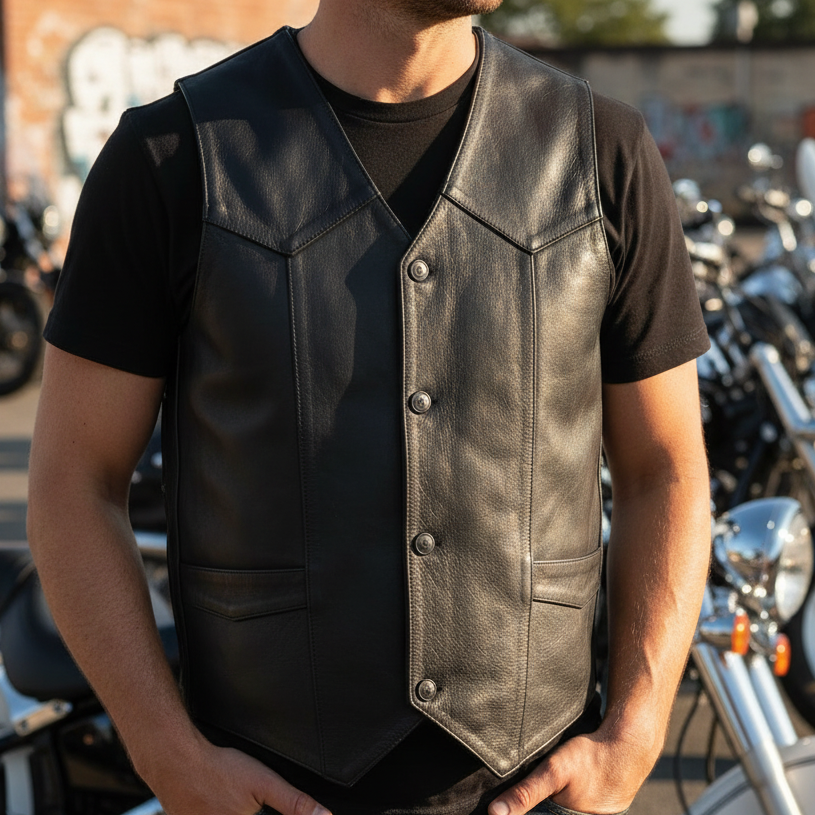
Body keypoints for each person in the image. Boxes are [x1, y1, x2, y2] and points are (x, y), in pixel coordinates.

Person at [27, 2, 712, 814]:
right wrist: (166, 752)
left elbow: (663, 469)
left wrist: (634, 729)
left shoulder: (601, 151)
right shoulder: (171, 155)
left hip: (532, 788)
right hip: (266, 788)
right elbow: (74, 481)